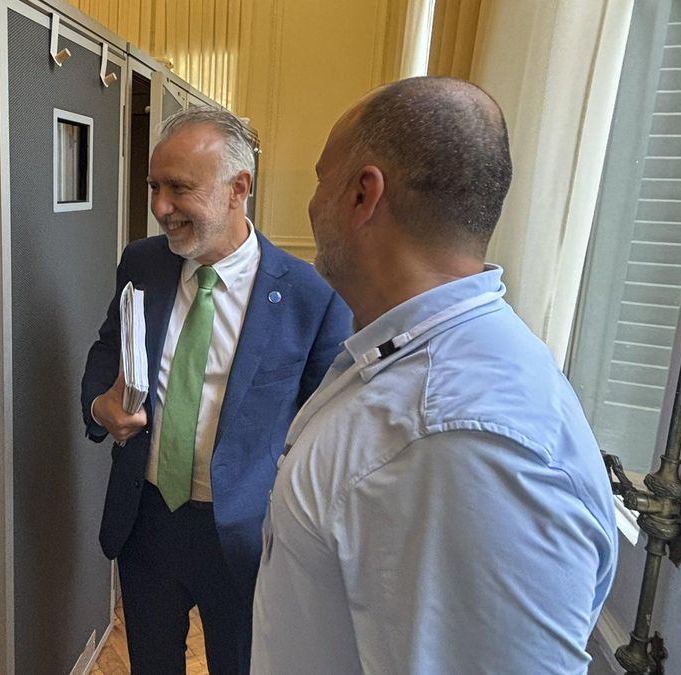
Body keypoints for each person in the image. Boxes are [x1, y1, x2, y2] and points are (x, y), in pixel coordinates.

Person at [251, 77, 618, 674]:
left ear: (363, 195)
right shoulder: (406, 366)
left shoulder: (458, 442)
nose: (312, 204)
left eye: (322, 178)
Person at [81, 106, 351, 674]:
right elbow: (109, 347)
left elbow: (326, 432)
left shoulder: (311, 298)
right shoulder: (142, 262)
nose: (159, 208)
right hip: (146, 519)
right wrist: (98, 404)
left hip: (244, 536)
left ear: (239, 188)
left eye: (179, 188)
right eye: (155, 186)